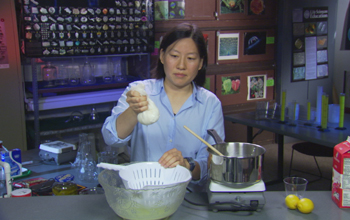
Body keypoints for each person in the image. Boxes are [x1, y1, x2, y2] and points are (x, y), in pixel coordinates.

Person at [101, 23, 225, 191]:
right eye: (174, 56)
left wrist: (187, 164)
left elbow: (210, 165)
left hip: (189, 199)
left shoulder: (210, 104)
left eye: (190, 58)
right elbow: (111, 138)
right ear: (162, 56)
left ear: (201, 63)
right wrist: (134, 111)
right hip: (143, 193)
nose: (181, 65)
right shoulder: (139, 91)